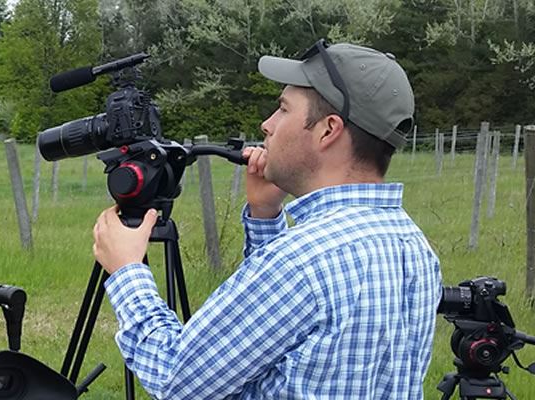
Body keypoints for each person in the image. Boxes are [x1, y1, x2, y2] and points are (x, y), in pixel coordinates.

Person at [91, 40, 442, 399]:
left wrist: (127, 272)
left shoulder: (301, 262)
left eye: (283, 109)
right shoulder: (414, 247)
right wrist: (264, 215)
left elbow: (176, 379)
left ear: (328, 130)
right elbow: (286, 345)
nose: (267, 124)